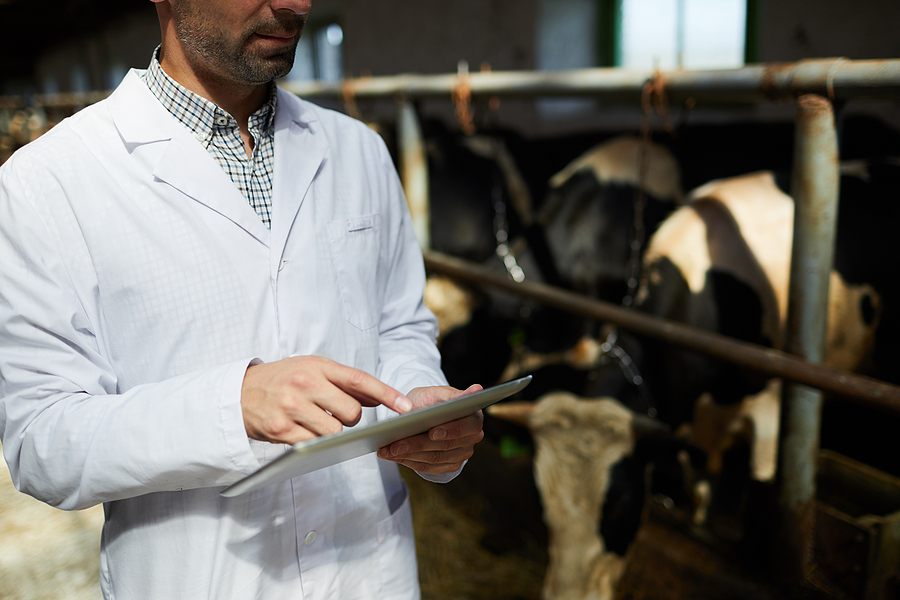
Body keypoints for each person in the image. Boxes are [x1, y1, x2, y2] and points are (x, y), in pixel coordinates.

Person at [0, 0, 485, 598]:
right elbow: (44, 442)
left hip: (370, 572)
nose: (295, 4)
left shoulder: (358, 151)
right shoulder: (50, 181)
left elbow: (398, 327)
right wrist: (232, 405)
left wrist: (420, 406)